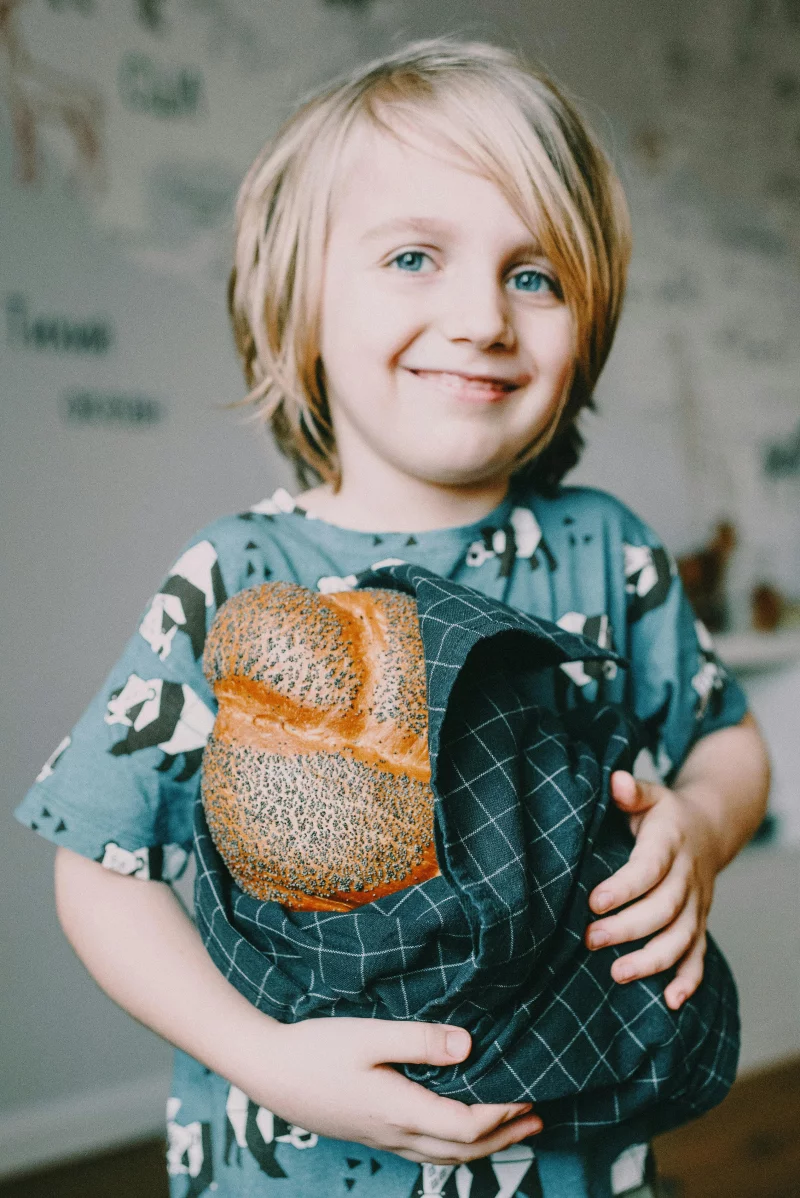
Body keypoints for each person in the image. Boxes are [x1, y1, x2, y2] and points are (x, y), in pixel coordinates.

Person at [16, 39, 770, 1198]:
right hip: (297, 1162)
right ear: (299, 304)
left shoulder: (604, 549)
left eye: (535, 275)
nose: (480, 316)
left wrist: (704, 829)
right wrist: (262, 1058)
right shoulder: (235, 577)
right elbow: (98, 870)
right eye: (414, 256)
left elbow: (724, 735)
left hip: (574, 1146)